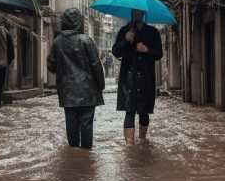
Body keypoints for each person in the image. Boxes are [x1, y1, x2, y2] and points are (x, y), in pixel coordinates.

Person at [48, 8, 105, 149]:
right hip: (87, 90)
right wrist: (101, 85)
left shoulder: (57, 42)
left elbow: (52, 66)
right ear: (79, 22)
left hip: (67, 90)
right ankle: (85, 155)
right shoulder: (86, 40)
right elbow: (96, 65)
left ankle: (73, 154)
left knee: (71, 122)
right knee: (86, 123)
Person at [112, 9, 163, 145]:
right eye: (134, 12)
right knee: (129, 110)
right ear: (131, 13)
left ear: (144, 13)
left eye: (139, 12)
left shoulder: (153, 32)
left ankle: (143, 140)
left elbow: (159, 54)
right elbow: (116, 52)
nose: (137, 14)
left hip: (146, 77)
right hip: (129, 78)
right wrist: (125, 40)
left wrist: (147, 50)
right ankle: (129, 146)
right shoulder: (124, 30)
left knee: (144, 112)